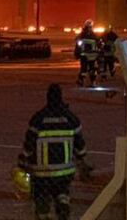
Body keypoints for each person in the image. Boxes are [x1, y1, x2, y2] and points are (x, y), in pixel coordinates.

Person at [18, 84, 91, 220]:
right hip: (64, 171)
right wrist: (82, 159)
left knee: (42, 200)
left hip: (41, 173)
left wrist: (22, 160)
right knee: (62, 192)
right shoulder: (71, 119)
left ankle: (43, 214)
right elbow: (80, 146)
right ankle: (63, 204)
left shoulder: (38, 119)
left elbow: (29, 144)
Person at [74, 21, 100, 87]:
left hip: (88, 55)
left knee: (88, 69)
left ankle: (90, 82)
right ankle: (83, 81)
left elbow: (98, 42)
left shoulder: (91, 35)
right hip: (88, 55)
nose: (89, 28)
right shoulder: (90, 34)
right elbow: (77, 42)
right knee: (86, 69)